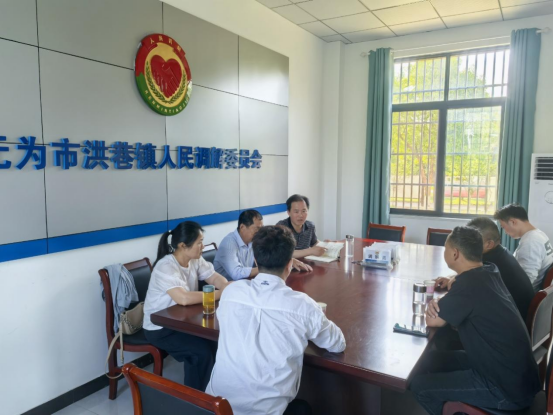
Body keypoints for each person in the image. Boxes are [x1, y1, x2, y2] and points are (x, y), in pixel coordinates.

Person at [206, 226, 346, 415]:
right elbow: (337, 344)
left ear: (256, 260)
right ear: (290, 264)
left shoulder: (231, 292)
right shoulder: (303, 306)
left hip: (215, 408)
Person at [411, 226, 540, 415]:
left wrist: (435, 302)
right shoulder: (489, 270)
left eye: (446, 248)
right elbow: (463, 291)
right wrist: (450, 291)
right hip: (513, 374)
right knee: (429, 360)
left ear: (455, 254)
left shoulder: (469, 285)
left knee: (419, 386)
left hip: (503, 388)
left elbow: (433, 321)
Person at [143, 221, 230, 391]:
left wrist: (225, 285)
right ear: (183, 245)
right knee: (199, 353)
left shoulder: (195, 259)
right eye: (199, 242)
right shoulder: (166, 266)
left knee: (215, 342)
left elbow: (214, 277)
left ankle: (212, 390)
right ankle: (196, 399)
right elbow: (183, 298)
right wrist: (222, 293)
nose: (202, 246)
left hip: (182, 321)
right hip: (160, 328)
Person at [434, 217, 534, 320]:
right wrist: (452, 278)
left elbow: (466, 286)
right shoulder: (500, 253)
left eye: (474, 240)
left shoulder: (492, 264)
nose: (466, 244)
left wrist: (451, 285)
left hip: (513, 318)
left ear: (489, 244)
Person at [214, 210, 312, 281]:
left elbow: (269, 255)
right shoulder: (228, 243)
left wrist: (286, 261)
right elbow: (236, 273)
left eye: (261, 228)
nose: (260, 232)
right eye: (257, 228)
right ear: (242, 227)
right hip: (224, 291)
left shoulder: (253, 240)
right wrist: (267, 269)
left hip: (245, 284)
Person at [494, 204, 553, 290]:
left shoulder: (530, 242)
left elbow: (526, 280)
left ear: (512, 222)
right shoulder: (539, 234)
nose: (505, 232)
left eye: (503, 227)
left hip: (527, 294)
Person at [276, 194, 326, 259]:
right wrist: (310, 251)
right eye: (296, 212)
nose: (300, 215)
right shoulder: (281, 227)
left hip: (306, 262)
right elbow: (283, 253)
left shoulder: (310, 226)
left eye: (303, 211)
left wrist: (326, 244)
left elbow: (314, 243)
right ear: (288, 212)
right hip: (288, 264)